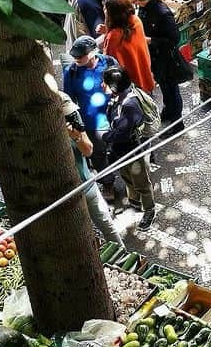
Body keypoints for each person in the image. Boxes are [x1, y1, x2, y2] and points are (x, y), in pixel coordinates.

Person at [58, 92, 125, 249]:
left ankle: (123, 255)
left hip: (86, 184)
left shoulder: (73, 118)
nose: (71, 115)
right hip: (65, 194)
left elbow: (88, 151)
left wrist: (76, 137)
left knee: (106, 224)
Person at [102, 66, 157, 230]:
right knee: (127, 177)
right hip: (123, 150)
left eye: (104, 83)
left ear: (114, 86)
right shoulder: (119, 97)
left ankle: (149, 210)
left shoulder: (129, 105)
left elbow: (122, 134)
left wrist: (105, 137)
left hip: (134, 150)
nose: (102, 85)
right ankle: (135, 201)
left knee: (141, 183)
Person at [62, 37, 117, 182]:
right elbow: (69, 102)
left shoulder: (109, 62)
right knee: (98, 156)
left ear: (93, 52)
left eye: (81, 55)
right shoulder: (71, 72)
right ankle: (107, 183)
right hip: (91, 124)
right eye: (74, 56)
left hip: (114, 117)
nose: (76, 58)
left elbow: (120, 84)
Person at [137, 0, 186, 131]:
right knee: (165, 88)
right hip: (155, 58)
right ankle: (168, 111)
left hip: (167, 59)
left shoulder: (163, 13)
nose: (134, 2)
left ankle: (177, 123)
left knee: (172, 90)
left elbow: (174, 39)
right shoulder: (144, 9)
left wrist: (151, 41)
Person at [101, 0, 156, 93]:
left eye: (106, 9)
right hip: (144, 74)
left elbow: (110, 62)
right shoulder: (136, 21)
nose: (104, 10)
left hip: (129, 85)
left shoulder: (114, 36)